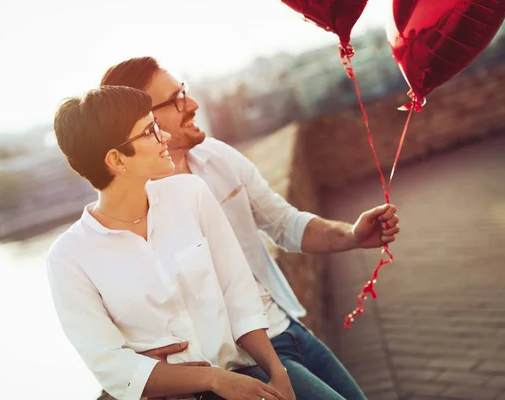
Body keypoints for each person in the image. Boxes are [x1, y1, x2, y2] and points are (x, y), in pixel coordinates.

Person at [100, 57, 400, 400]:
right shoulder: (135, 211)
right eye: (176, 100)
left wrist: (352, 235)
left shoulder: (216, 156)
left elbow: (283, 222)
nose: (193, 104)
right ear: (143, 121)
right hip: (242, 364)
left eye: (184, 92)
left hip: (288, 328)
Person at [47, 85, 295, 400]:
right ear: (117, 160)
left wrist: (278, 373)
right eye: (150, 131)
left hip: (246, 374)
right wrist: (213, 380)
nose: (164, 136)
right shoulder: (69, 258)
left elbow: (239, 294)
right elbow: (111, 367)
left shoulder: (191, 193)